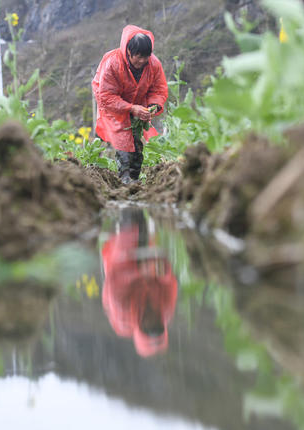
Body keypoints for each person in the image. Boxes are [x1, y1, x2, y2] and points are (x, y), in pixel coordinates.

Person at [92, 25, 169, 185]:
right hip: (111, 101)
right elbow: (106, 96)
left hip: (138, 102)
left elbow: (159, 89)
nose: (142, 61)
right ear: (128, 51)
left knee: (136, 141)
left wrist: (153, 106)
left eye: (145, 57)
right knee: (120, 136)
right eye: (138, 57)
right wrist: (131, 108)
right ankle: (123, 178)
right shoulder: (112, 63)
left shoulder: (153, 64)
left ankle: (133, 178)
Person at [101, 208, 178, 357]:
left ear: (140, 328)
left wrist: (139, 271)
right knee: (142, 227)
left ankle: (124, 208)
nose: (152, 319)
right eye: (157, 324)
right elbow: (170, 283)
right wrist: (162, 271)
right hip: (148, 264)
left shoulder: (122, 314)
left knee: (130, 226)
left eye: (148, 326)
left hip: (120, 264)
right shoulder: (166, 311)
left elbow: (114, 278)